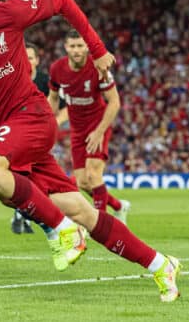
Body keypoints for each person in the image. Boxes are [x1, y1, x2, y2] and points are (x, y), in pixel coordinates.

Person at [0, 0, 180, 301]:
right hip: (3, 132)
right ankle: (159, 265)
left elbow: (62, 1)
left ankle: (63, 232)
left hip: (31, 115)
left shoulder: (8, 14)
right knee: (79, 209)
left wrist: (98, 49)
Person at [48, 30, 130, 223]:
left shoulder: (98, 67)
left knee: (94, 175)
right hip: (77, 130)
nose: (76, 50)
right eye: (72, 46)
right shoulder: (57, 69)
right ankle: (119, 206)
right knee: (83, 182)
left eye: (80, 46)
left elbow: (115, 102)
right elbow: (52, 98)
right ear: (66, 47)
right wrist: (48, 122)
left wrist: (99, 132)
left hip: (98, 126)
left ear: (86, 46)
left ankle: (101, 224)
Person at [10, 43, 47, 234]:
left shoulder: (44, 80)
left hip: (40, 135)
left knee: (32, 178)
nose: (28, 61)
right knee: (25, 176)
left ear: (37, 61)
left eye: (31, 58)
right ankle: (24, 214)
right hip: (18, 135)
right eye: (25, 57)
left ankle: (22, 214)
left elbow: (59, 104)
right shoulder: (12, 78)